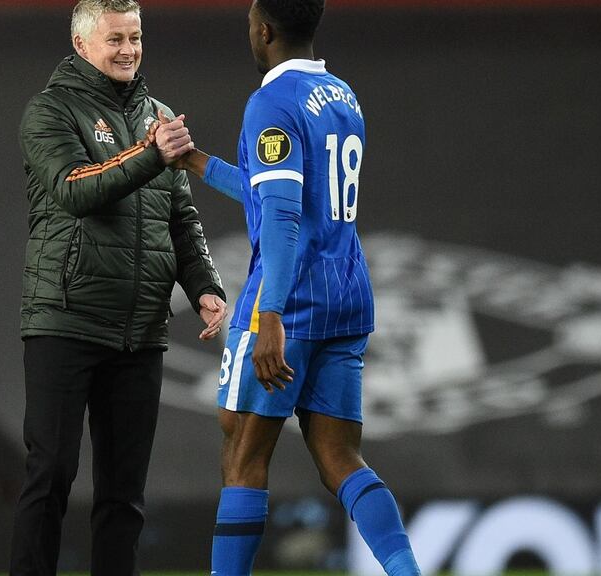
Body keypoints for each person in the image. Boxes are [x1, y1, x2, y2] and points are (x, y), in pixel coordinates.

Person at [172, 1, 422, 575]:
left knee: (241, 453)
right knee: (339, 456)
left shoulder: (271, 103)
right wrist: (198, 162)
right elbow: (281, 194)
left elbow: (283, 219)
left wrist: (270, 316)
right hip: (348, 294)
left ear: (264, 31)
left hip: (293, 297)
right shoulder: (342, 95)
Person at [9, 1, 228, 575]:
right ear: (83, 45)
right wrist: (152, 152)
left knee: (124, 494)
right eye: (116, 39)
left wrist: (204, 284)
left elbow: (181, 218)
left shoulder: (160, 114)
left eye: (135, 37)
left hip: (141, 329)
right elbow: (77, 190)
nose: (129, 49)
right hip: (67, 318)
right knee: (51, 473)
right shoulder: (49, 112)